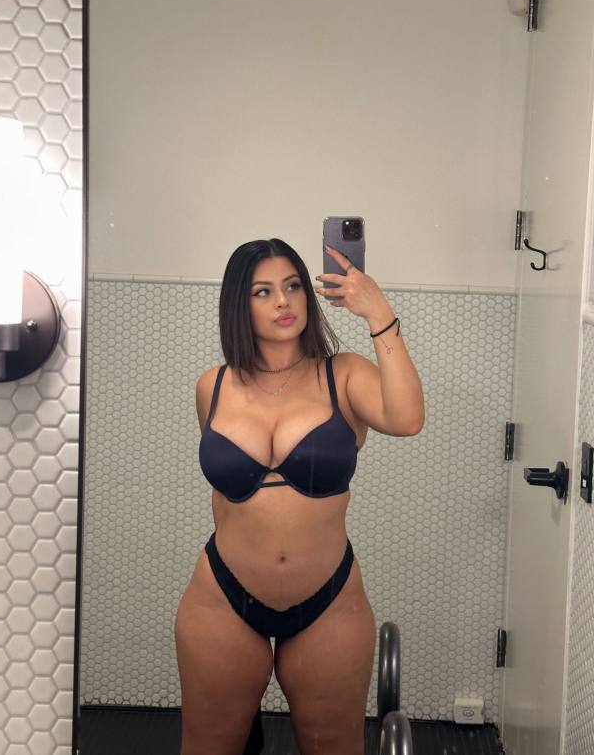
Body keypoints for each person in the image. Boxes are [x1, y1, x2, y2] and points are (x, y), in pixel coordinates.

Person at [174, 238, 424, 755]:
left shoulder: (344, 374)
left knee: (333, 746)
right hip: (223, 596)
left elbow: (406, 419)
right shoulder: (212, 386)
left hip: (328, 601)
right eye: (262, 291)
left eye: (292, 286)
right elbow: (225, 497)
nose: (283, 301)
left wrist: (377, 311)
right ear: (238, 305)